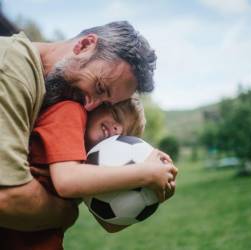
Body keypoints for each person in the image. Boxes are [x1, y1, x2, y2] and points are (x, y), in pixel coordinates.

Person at [0, 21, 169, 232]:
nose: (90, 105)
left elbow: (109, 223)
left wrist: (153, 188)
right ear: (85, 45)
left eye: (107, 105)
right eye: (99, 87)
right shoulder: (10, 69)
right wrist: (67, 214)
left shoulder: (58, 99)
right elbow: (7, 198)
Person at [0, 96, 177, 250]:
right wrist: (146, 173)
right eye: (116, 116)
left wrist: (155, 192)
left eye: (123, 133)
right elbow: (67, 182)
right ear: (98, 105)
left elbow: (110, 224)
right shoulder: (70, 112)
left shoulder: (92, 162)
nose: (117, 130)